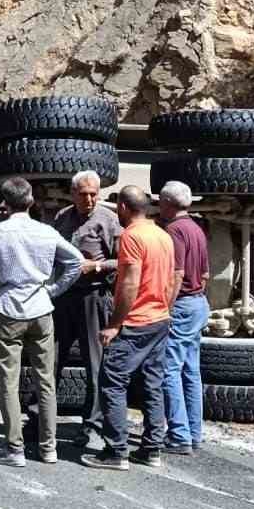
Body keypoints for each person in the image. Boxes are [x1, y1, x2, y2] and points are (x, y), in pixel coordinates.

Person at [0, 177, 84, 468]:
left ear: (5, 203)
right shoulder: (46, 231)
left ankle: (14, 449)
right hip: (41, 309)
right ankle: (48, 448)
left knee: (9, 383)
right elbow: (76, 263)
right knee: (46, 382)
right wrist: (53, 290)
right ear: (30, 201)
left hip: (8, 310)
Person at [89, 185, 176, 471]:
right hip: (159, 319)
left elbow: (129, 284)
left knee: (112, 382)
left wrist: (114, 324)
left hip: (136, 323)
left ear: (123, 208)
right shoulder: (162, 235)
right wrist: (165, 308)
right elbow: (175, 278)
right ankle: (151, 449)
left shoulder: (132, 236)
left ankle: (116, 451)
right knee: (152, 384)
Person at [51, 170, 121, 447]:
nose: (89, 199)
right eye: (83, 194)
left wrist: (98, 266)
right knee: (51, 359)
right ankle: (40, 418)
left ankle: (92, 427)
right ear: (73, 194)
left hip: (94, 297)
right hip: (64, 297)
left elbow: (124, 261)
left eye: (94, 194)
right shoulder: (62, 218)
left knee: (95, 365)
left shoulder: (109, 220)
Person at [159, 180, 211, 455]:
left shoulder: (175, 230)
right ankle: (193, 432)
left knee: (169, 369)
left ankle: (179, 436)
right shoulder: (197, 229)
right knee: (191, 371)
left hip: (182, 305)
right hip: (199, 303)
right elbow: (205, 275)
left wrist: (166, 308)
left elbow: (176, 273)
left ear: (167, 203)